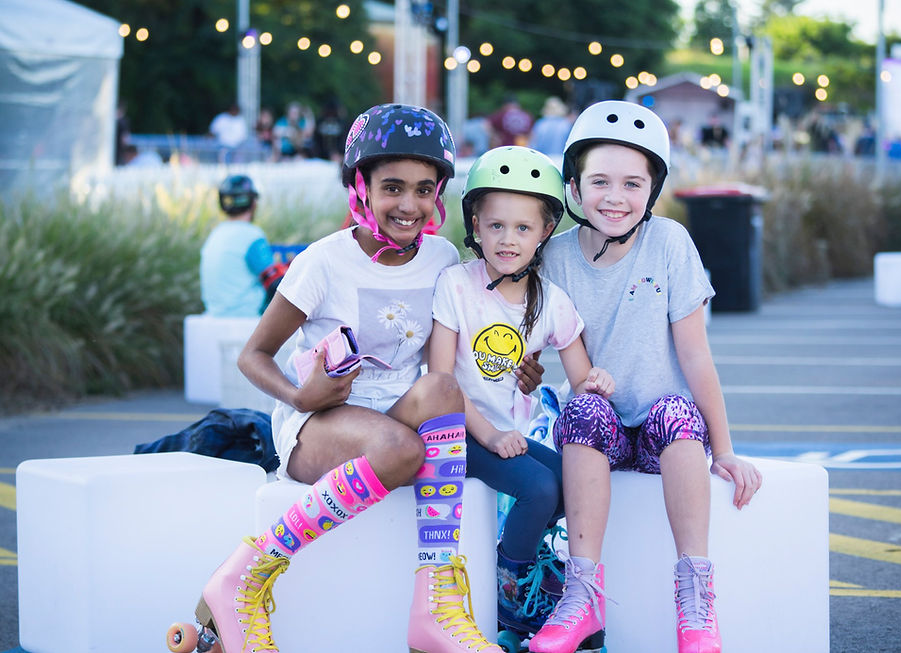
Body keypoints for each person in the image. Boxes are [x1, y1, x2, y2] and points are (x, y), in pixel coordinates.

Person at [185, 104, 543, 653]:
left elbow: (457, 350)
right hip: (318, 425)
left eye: (425, 189)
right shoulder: (323, 263)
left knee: (443, 389)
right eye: (393, 187)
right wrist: (297, 394)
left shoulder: (443, 257)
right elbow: (254, 355)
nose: (409, 204)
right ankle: (243, 576)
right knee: (402, 449)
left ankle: (436, 607)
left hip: (393, 414)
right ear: (361, 186)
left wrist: (512, 369)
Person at [528, 101, 763, 653]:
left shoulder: (670, 242)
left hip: (666, 432)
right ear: (576, 188)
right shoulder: (554, 257)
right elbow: (540, 343)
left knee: (678, 411)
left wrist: (724, 449)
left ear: (652, 190)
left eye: (633, 184)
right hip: (598, 432)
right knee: (582, 407)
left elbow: (696, 354)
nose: (616, 197)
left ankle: (696, 597)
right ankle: (582, 594)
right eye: (600, 182)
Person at [427, 146, 614, 640]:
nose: (508, 240)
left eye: (523, 228)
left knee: (569, 482)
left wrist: (596, 382)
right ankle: (509, 595)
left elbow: (581, 377)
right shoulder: (455, 285)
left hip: (502, 433)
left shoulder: (550, 301)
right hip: (454, 431)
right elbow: (440, 382)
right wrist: (488, 435)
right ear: (475, 225)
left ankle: (524, 561)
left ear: (545, 232)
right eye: (495, 226)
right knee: (539, 488)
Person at [200, 174, 285, 317]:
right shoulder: (252, 235)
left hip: (215, 314)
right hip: (247, 314)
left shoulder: (215, 234)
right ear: (253, 203)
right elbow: (274, 282)